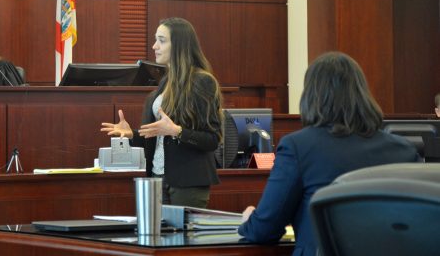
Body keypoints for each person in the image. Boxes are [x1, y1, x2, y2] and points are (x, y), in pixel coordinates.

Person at [237, 51, 419, 255]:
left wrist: (249, 220)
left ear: (311, 96)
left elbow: (264, 230)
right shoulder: (404, 150)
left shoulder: (298, 147)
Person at [100, 17, 223, 208]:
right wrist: (131, 134)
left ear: (180, 45)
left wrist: (177, 131)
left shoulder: (202, 82)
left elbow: (212, 139)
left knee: (183, 237)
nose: (154, 46)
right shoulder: (165, 83)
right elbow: (157, 138)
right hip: (157, 178)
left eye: (162, 40)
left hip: (188, 181)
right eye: (156, 40)